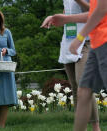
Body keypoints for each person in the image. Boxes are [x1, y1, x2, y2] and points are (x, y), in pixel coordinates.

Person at [41, 0, 100, 131]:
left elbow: (96, 11)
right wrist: (53, 18)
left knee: (83, 86)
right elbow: (68, 12)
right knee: (75, 88)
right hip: (69, 41)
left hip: (87, 41)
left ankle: (96, 127)